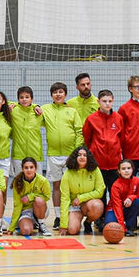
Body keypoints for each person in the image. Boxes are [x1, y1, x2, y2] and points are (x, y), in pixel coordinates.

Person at [41, 81, 83, 230]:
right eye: (55, 92)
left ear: (65, 94)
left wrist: (76, 151)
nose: (58, 95)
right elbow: (30, 107)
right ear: (51, 95)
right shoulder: (45, 109)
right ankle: (59, 217)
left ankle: (69, 214)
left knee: (70, 187)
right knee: (56, 185)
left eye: (61, 92)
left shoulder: (72, 111)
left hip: (70, 155)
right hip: (53, 155)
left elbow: (79, 130)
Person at [82, 89, 123, 201]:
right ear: (98, 101)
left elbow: (121, 138)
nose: (107, 104)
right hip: (98, 164)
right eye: (104, 101)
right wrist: (95, 151)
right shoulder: (91, 119)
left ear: (113, 101)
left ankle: (113, 216)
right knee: (100, 193)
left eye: (110, 101)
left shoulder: (118, 118)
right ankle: (100, 218)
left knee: (115, 193)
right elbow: (87, 138)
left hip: (114, 164)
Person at [59, 146, 105, 237]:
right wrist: (63, 225)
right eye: (79, 155)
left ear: (88, 158)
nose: (82, 157)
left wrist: (81, 198)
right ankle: (76, 221)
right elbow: (64, 199)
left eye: (85, 155)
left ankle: (88, 222)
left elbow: (100, 191)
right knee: (72, 230)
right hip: (74, 206)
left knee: (98, 205)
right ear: (75, 158)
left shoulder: (95, 170)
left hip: (89, 204)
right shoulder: (68, 174)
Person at [9, 157, 52, 237]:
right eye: (26, 168)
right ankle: (28, 223)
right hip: (25, 212)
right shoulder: (17, 182)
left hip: (40, 210)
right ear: (22, 169)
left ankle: (41, 224)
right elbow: (17, 205)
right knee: (26, 231)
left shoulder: (43, 181)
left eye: (31, 167)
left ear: (35, 168)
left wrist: (30, 197)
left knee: (39, 200)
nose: (29, 170)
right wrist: (11, 228)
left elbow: (47, 197)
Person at [10, 87, 44, 181]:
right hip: (18, 154)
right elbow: (0, 101)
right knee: (19, 182)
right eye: (21, 97)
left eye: (27, 97)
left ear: (31, 99)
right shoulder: (14, 111)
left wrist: (36, 106)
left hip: (36, 153)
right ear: (18, 99)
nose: (24, 99)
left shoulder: (38, 112)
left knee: (38, 182)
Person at [106, 158, 139, 235]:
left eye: (129, 168)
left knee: (138, 202)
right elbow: (117, 206)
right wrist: (122, 227)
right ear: (119, 171)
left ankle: (130, 227)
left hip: (128, 208)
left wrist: (131, 198)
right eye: (123, 169)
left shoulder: (137, 181)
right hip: (115, 209)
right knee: (110, 227)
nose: (126, 171)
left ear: (132, 169)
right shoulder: (116, 185)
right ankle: (120, 225)